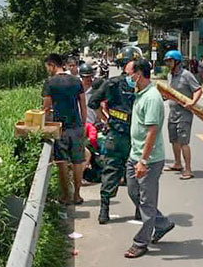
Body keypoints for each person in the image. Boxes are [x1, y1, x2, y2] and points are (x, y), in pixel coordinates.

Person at [123, 59, 175, 259]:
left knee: (146, 202)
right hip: (134, 155)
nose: (128, 78)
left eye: (129, 74)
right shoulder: (140, 93)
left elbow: (152, 131)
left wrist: (143, 161)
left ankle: (140, 242)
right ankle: (161, 223)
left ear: (139, 74)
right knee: (133, 192)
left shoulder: (152, 97)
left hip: (149, 159)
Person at [88, 46, 141, 225]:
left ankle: (104, 210)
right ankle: (139, 210)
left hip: (116, 133)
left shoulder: (111, 84)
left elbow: (93, 101)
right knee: (137, 173)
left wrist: (106, 118)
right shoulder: (142, 84)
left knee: (111, 170)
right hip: (135, 136)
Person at [42, 53, 87, 205]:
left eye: (48, 67)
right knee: (77, 162)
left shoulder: (50, 83)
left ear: (52, 65)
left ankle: (66, 196)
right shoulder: (76, 81)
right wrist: (84, 124)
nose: (47, 70)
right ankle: (77, 195)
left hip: (59, 127)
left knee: (61, 161)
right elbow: (83, 104)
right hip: (76, 126)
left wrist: (45, 127)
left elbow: (46, 108)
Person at [163, 50, 202, 180]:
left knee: (183, 141)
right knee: (174, 140)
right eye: (167, 61)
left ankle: (188, 169)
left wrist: (192, 102)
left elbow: (198, 90)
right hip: (173, 112)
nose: (168, 63)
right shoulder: (170, 75)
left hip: (184, 113)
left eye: (170, 61)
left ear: (177, 62)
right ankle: (177, 163)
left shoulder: (186, 75)